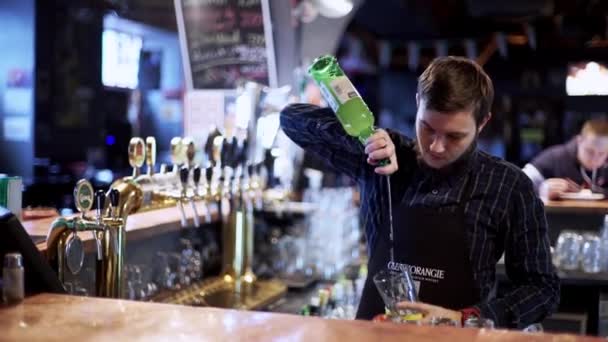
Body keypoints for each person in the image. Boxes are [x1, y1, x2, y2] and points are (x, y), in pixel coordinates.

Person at [280, 56, 559, 328]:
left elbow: (542, 289)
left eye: (454, 136)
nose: (436, 146)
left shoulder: (508, 185)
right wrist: (363, 141)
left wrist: (466, 319)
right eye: (427, 128)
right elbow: (291, 119)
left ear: (483, 123)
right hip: (375, 333)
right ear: (417, 104)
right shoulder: (382, 158)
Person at [523, 118, 608, 200]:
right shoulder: (554, 158)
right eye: (589, 151)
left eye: (602, 153)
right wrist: (541, 191)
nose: (595, 158)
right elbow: (516, 186)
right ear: (579, 141)